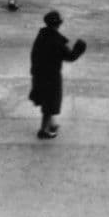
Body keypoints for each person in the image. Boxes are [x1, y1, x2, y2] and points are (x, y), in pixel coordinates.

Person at [29, 10, 86, 139]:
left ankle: (52, 124)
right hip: (52, 76)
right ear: (58, 24)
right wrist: (79, 48)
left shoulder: (41, 35)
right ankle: (43, 130)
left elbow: (34, 54)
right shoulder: (57, 41)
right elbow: (70, 56)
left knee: (46, 100)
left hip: (39, 74)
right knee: (50, 102)